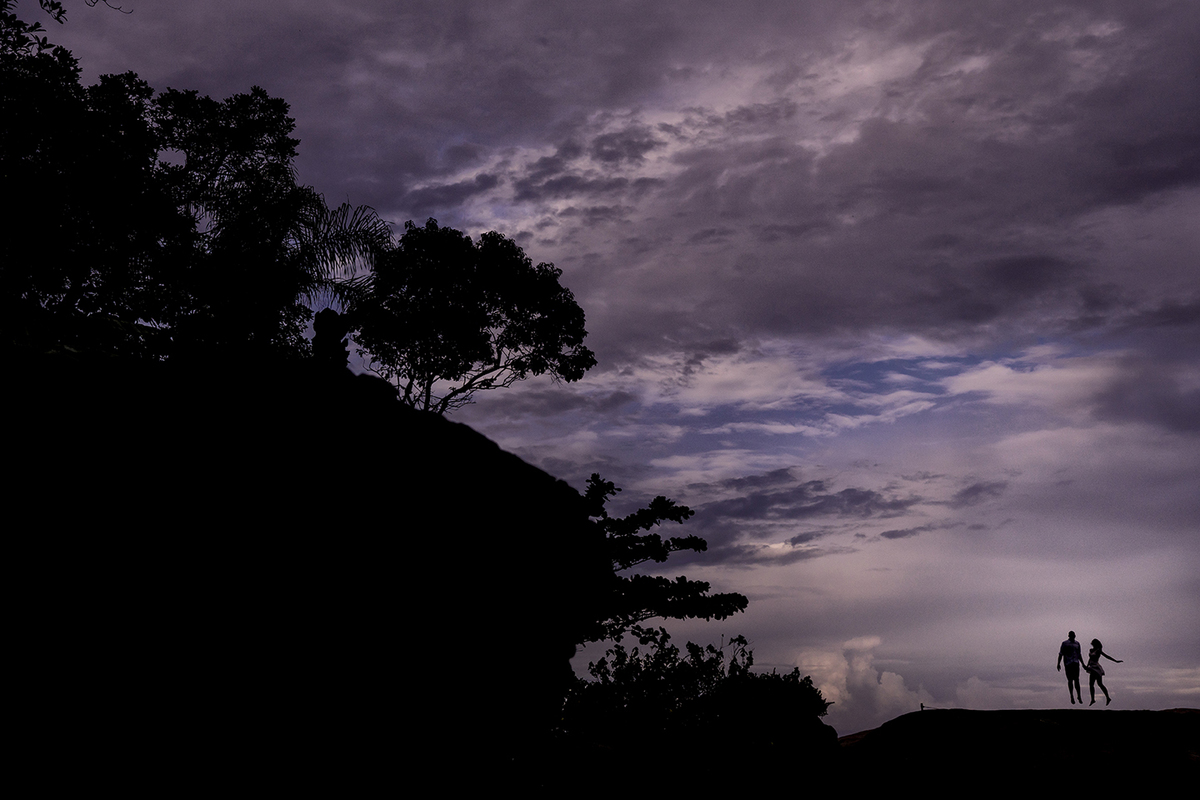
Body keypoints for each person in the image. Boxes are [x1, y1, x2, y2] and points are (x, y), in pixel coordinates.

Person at [1083, 638, 1122, 706]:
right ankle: (1095, 699)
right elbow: (1090, 659)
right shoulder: (1091, 650)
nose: (1092, 644)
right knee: (1094, 684)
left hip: (1096, 668)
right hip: (1092, 667)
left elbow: (1107, 656)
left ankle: (1104, 698)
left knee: (1098, 684)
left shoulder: (1098, 651)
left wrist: (1116, 661)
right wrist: (1087, 666)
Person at [1056, 631, 1084, 704]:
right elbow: (1061, 654)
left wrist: (1083, 664)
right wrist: (1058, 663)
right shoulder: (1065, 643)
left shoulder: (1077, 643)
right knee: (1070, 680)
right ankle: (1072, 695)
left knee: (1077, 680)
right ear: (1069, 636)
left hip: (1075, 663)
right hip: (1068, 663)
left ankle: (1079, 695)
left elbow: (1079, 654)